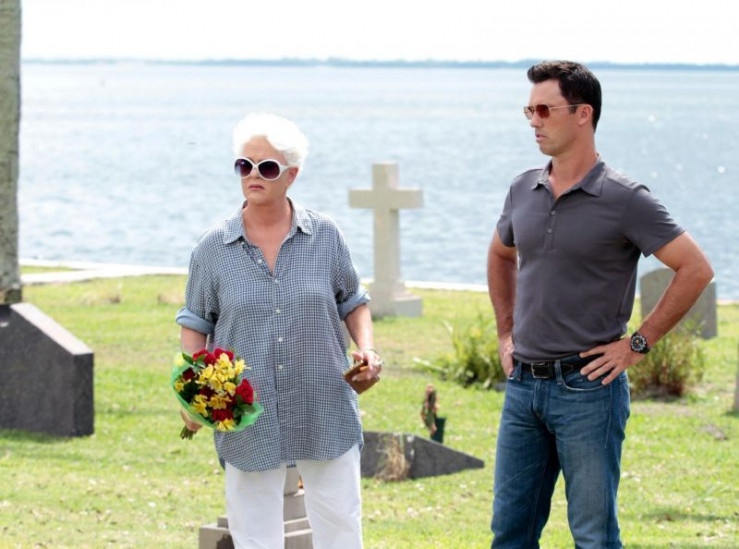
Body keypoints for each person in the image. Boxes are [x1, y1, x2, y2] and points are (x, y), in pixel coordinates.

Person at [486, 61, 713, 548]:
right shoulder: (522, 187)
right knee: (509, 534)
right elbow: (501, 254)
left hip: (588, 390)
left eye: (544, 109)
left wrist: (637, 344)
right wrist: (506, 333)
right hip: (523, 386)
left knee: (593, 537)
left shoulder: (626, 198)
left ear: (583, 113)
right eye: (529, 110)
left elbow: (695, 268)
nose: (534, 121)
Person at [175, 113, 382, 549]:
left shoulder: (325, 236)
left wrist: (367, 350)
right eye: (244, 165)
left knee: (341, 529)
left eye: (266, 167)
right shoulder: (212, 248)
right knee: (253, 535)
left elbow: (353, 300)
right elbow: (195, 325)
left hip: (323, 403)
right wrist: (194, 393)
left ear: (291, 175)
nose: (253, 175)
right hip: (245, 413)